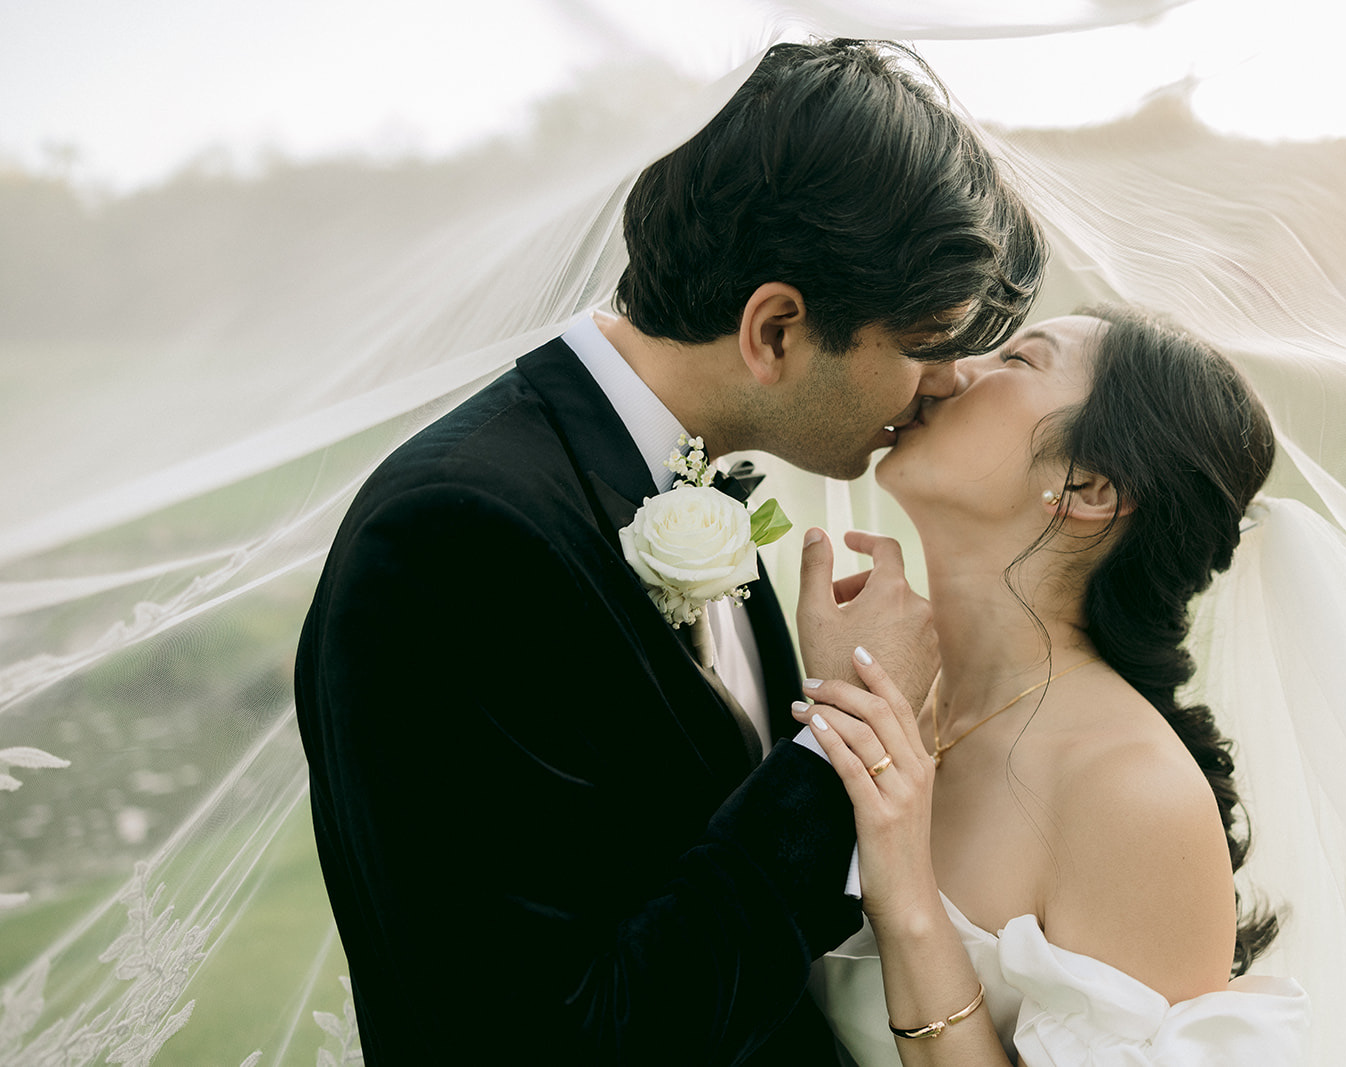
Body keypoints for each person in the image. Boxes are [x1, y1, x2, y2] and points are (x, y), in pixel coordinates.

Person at [292, 38, 1044, 1066]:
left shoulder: (680, 474)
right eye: (925, 345)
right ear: (774, 332)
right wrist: (840, 743)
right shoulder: (456, 536)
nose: (950, 381)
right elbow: (552, 1040)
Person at [795, 308, 1311, 1064]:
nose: (945, 373)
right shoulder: (896, 694)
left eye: (1016, 360)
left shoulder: (1133, 794)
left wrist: (906, 898)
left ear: (1088, 486)